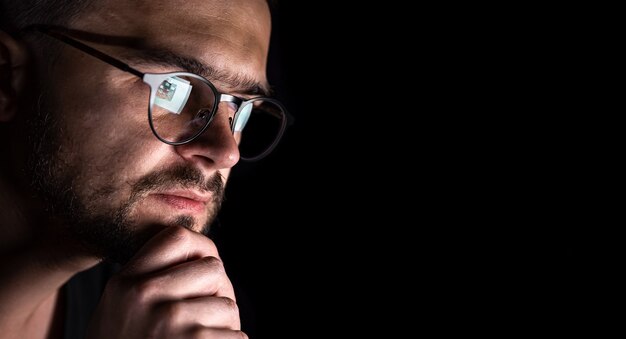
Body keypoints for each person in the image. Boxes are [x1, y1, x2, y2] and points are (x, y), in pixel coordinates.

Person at [0, 0, 287, 337]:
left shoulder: (161, 318)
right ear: (7, 79)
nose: (226, 153)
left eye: (239, 108)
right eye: (172, 88)